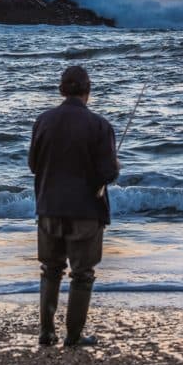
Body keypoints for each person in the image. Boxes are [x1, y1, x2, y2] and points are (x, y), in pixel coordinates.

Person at [28, 65, 119, 347]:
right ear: (87, 91)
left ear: (61, 90)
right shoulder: (100, 125)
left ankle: (46, 332)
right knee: (82, 274)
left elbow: (33, 165)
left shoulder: (42, 121)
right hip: (86, 213)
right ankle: (74, 336)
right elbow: (108, 174)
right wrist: (115, 166)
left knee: (50, 270)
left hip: (49, 208)